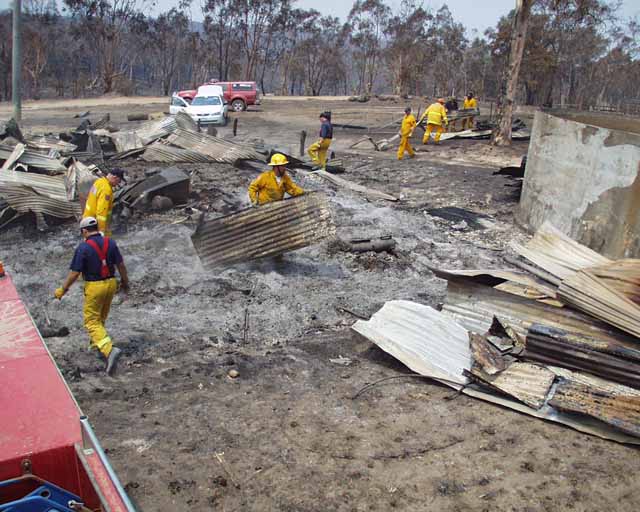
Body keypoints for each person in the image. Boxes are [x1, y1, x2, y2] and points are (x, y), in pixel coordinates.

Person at [54, 216, 130, 376]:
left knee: (91, 321)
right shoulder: (111, 242)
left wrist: (63, 289)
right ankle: (96, 344)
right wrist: (125, 282)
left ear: (84, 231)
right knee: (100, 317)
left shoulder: (83, 248)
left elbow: (75, 273)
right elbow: (121, 265)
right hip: (111, 284)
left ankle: (109, 350)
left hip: (95, 287)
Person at [83, 168, 126, 236]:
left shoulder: (99, 181)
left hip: (87, 218)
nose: (118, 183)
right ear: (115, 177)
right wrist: (101, 230)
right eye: (119, 181)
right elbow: (101, 211)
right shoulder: (106, 190)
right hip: (95, 224)